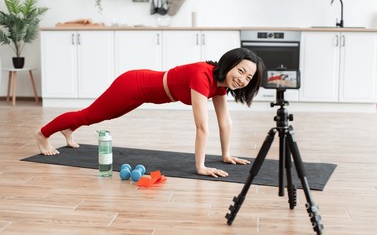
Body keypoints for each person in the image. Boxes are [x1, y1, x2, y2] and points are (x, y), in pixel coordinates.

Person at [35, 48, 265, 177]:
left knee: (104, 115)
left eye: (248, 77)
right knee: (91, 115)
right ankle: (44, 134)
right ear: (229, 64)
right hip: (134, 84)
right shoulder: (203, 76)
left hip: (143, 92)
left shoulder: (219, 84)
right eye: (241, 71)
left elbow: (225, 122)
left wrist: (226, 155)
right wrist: (200, 167)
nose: (243, 79)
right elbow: (202, 126)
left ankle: (68, 128)